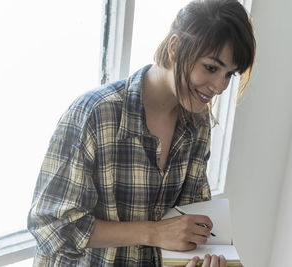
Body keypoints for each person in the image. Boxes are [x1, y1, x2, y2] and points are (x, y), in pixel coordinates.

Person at [27, 0, 255, 266]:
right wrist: (154, 232)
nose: (219, 86)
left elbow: (190, 221)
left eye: (230, 74)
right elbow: (51, 226)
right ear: (176, 47)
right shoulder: (96, 114)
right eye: (211, 68)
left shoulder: (197, 124)